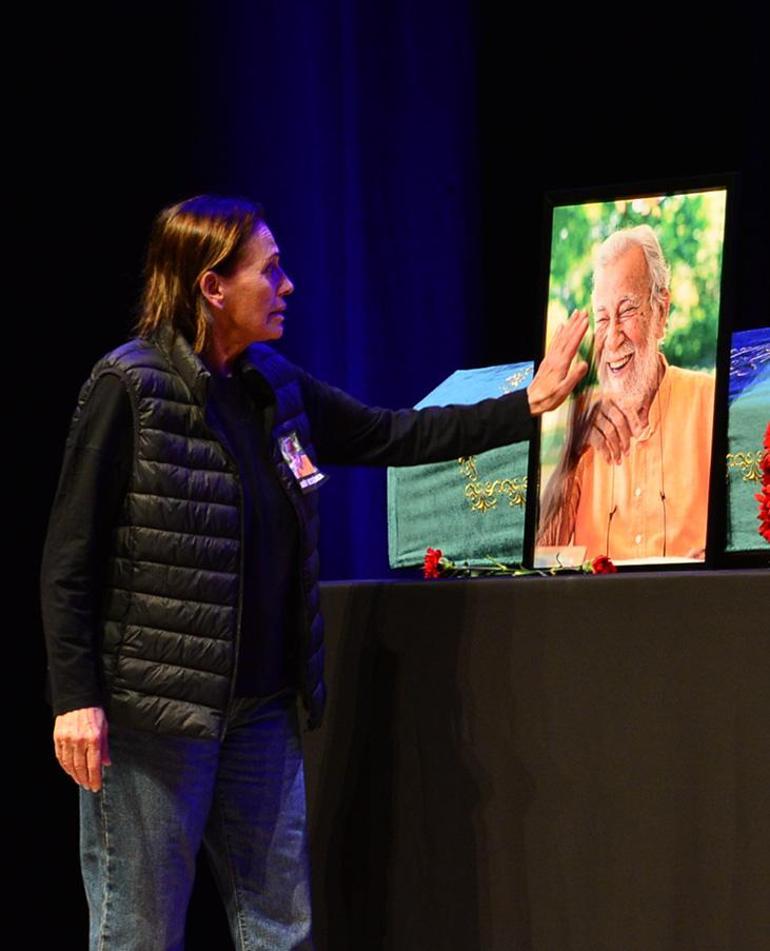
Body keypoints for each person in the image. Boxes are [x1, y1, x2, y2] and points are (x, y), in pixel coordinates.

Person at [41, 194, 588, 950]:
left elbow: (392, 432)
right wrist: (76, 698)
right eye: (271, 270)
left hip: (262, 710)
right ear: (212, 286)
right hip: (154, 716)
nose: (288, 286)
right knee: (138, 932)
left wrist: (524, 403)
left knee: (281, 930)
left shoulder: (274, 385)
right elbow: (70, 558)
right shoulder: (129, 388)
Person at [537, 224, 715, 561]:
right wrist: (570, 458)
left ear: (661, 312)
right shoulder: (583, 426)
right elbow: (540, 562)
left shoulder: (710, 403)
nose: (614, 337)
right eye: (603, 319)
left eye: (628, 311)